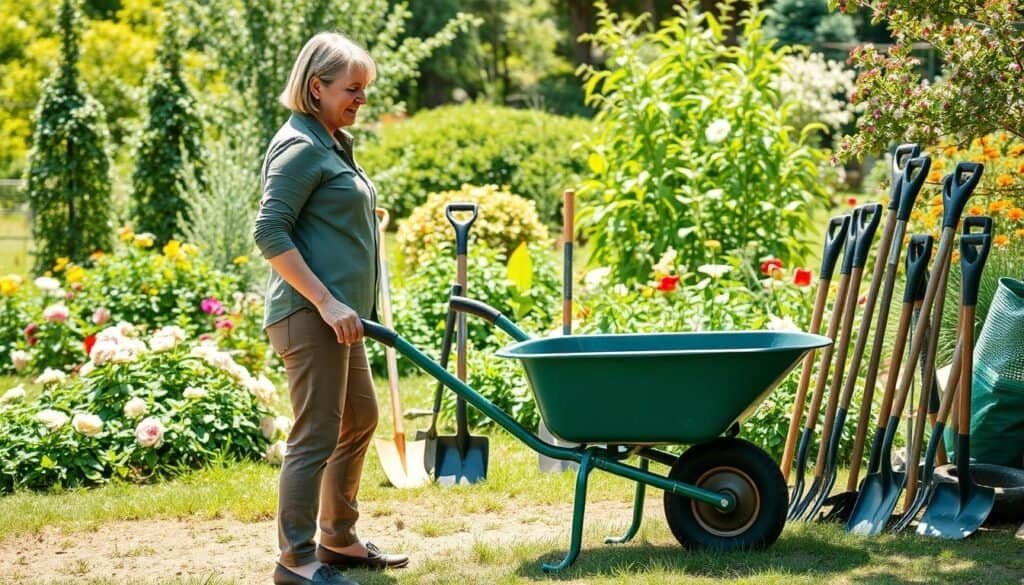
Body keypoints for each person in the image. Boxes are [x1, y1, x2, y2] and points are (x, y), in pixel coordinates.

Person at [253, 32, 408, 585]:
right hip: (311, 314)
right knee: (316, 433)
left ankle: (337, 538)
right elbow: (269, 231)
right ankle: (295, 560)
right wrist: (325, 300)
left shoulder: (329, 141)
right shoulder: (299, 146)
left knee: (360, 417)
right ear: (316, 87)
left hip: (341, 318)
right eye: (353, 89)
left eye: (365, 89)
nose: (362, 99)